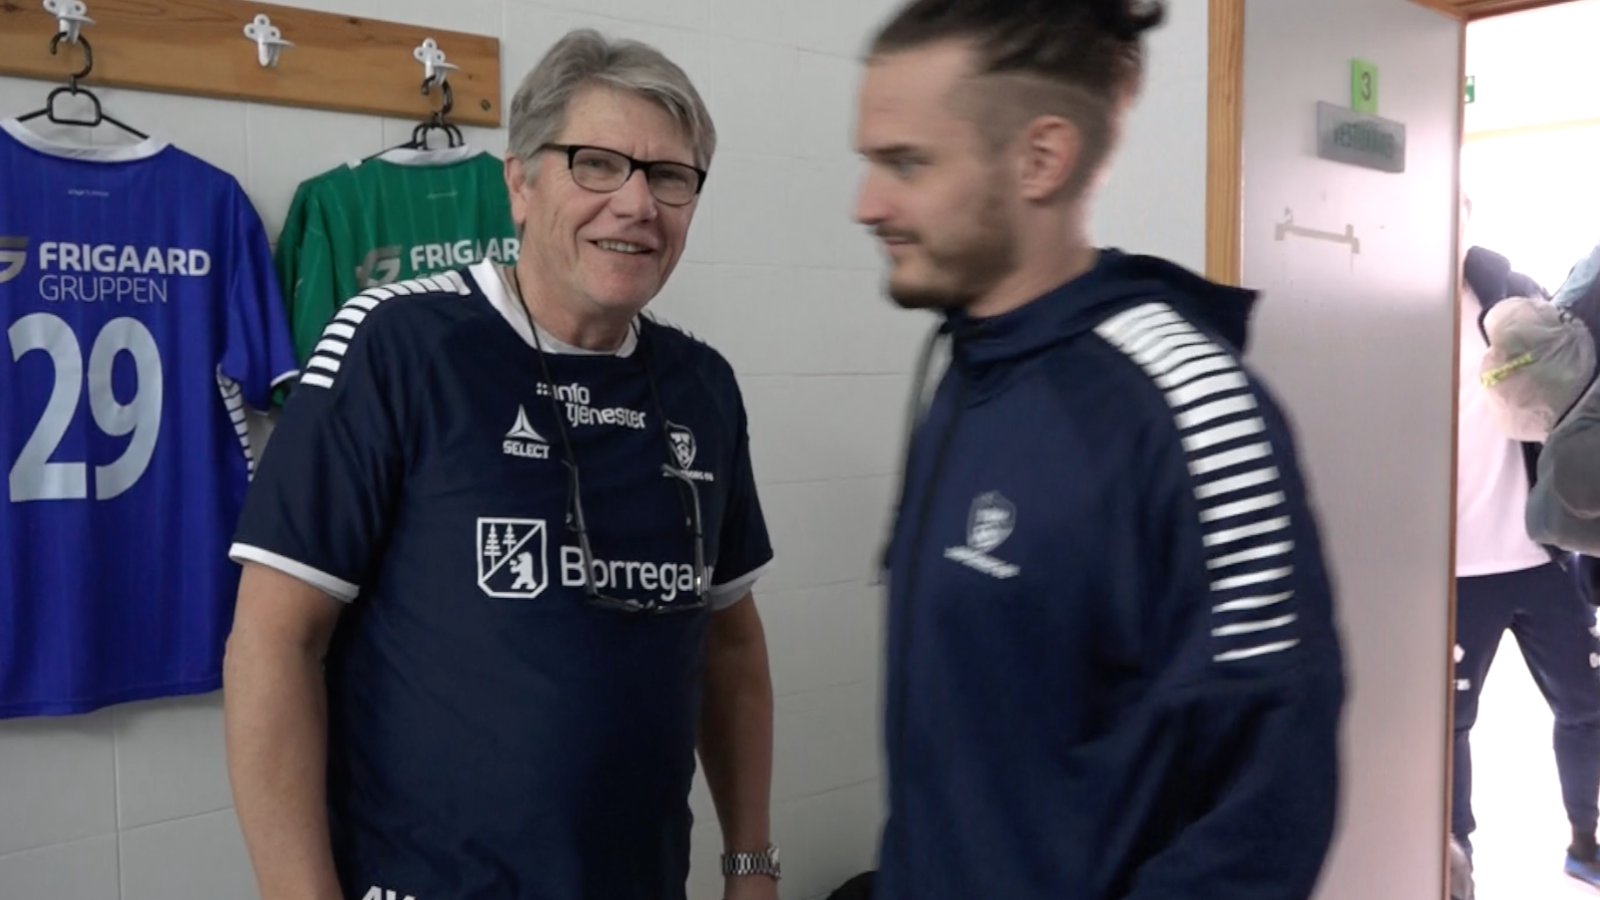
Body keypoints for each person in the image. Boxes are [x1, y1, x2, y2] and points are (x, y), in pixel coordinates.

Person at [223, 29, 781, 900]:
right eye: (598, 164)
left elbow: (731, 645)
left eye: (671, 176)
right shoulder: (397, 344)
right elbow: (272, 641)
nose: (637, 203)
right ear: (519, 183)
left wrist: (750, 863)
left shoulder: (702, 386)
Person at [852, 2, 1347, 898]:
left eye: (907, 163)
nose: (868, 205)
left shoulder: (1188, 407)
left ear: (1040, 159)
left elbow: (1269, 802)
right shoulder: (967, 370)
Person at [1454, 242, 1600, 887]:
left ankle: (1585, 843)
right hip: (1457, 566)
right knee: (1452, 724)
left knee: (1587, 705)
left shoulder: (1511, 294)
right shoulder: (1399, 319)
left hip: (1541, 557)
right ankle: (1456, 861)